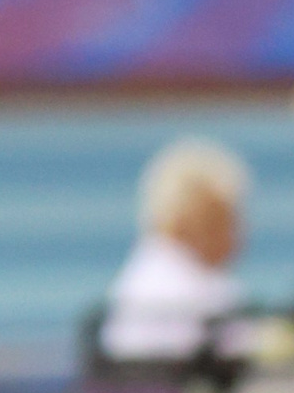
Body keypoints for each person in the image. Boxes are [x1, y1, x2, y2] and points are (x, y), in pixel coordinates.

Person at [98, 139, 249, 361]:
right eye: (223, 220)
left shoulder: (160, 275)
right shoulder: (170, 287)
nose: (236, 235)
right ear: (187, 221)